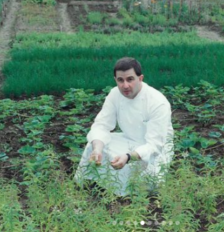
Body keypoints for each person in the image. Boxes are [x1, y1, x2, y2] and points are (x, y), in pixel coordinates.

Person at [74, 57, 174, 196]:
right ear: (115, 79)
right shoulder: (115, 94)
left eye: (130, 79)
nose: (125, 85)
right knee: (94, 145)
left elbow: (155, 145)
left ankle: (124, 198)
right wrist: (97, 149)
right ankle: (88, 186)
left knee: (140, 171)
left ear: (140, 78)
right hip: (128, 139)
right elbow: (102, 125)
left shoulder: (157, 102)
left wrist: (128, 157)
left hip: (154, 152)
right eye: (120, 80)